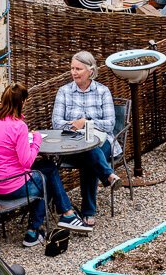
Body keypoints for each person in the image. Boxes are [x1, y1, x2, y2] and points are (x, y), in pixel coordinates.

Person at [0, 84, 87, 246]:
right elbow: (27, 161)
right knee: (48, 175)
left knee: (47, 169)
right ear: (22, 102)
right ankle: (36, 229)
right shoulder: (19, 126)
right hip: (11, 187)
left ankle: (64, 216)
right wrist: (36, 140)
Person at [50, 51, 122, 226]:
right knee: (90, 154)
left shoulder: (103, 92)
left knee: (91, 152)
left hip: (102, 142)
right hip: (71, 145)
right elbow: (56, 124)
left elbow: (110, 124)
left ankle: (88, 210)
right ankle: (108, 177)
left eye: (78, 69)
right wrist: (75, 126)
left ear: (90, 70)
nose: (74, 72)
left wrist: (86, 122)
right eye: (72, 68)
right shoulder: (64, 92)